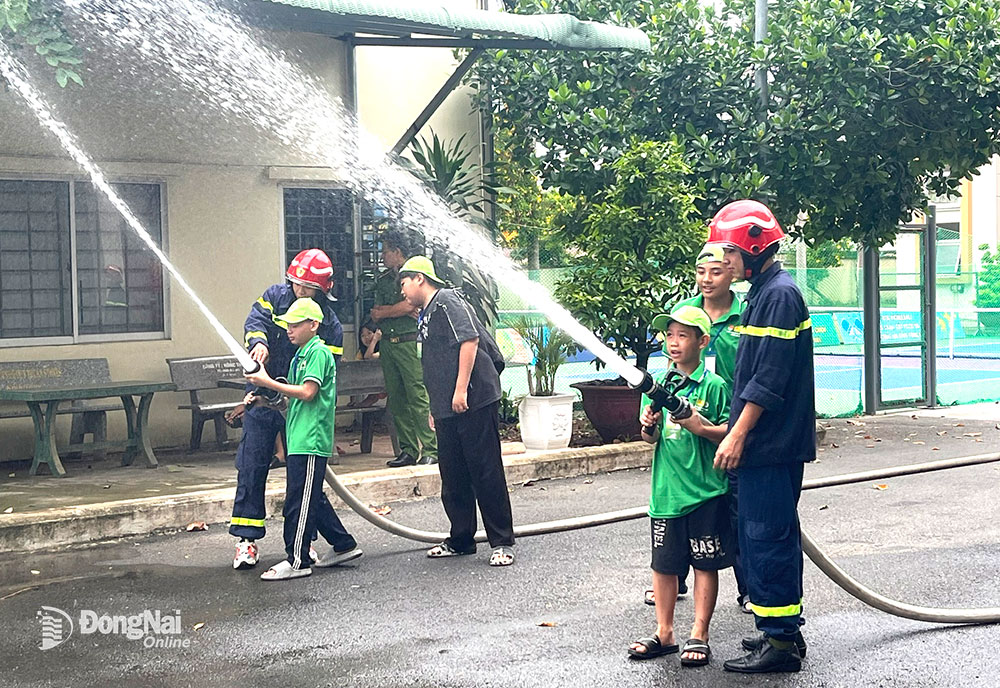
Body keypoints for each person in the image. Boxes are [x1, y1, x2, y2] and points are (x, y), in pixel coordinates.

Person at [709, 200, 815, 674]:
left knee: (766, 537)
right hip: (763, 446)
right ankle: (779, 631)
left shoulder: (779, 296)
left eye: (729, 252)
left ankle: (782, 646)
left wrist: (736, 435)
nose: (723, 261)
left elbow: (768, 379)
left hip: (768, 446)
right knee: (761, 538)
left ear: (753, 246)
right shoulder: (766, 292)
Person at [645, 244, 751, 611]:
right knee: (682, 517)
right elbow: (650, 433)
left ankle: (747, 585)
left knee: (732, 508)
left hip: (734, 415)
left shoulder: (747, 313)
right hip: (690, 422)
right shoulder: (685, 315)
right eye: (701, 272)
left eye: (717, 271)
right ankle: (673, 581)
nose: (707, 279)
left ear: (733, 272)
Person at [628, 305, 734, 668]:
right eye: (670, 335)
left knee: (706, 564)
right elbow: (648, 439)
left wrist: (700, 425)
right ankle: (665, 631)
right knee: (663, 566)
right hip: (666, 494)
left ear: (702, 341)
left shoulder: (715, 386)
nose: (674, 343)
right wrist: (648, 424)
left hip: (705, 492)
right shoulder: (657, 385)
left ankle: (699, 633)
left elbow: (729, 432)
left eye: (683, 335)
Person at [230, 248, 344, 571]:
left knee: (303, 479)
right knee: (251, 466)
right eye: (295, 283)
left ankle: (304, 544)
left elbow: (323, 381)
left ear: (322, 292)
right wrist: (259, 343)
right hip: (264, 397)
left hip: (298, 408)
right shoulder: (274, 297)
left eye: (307, 288)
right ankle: (246, 540)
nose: (298, 291)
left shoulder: (330, 328)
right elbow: (255, 321)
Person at [398, 255, 515, 567]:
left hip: (474, 398)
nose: (403, 291)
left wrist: (461, 389)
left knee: (485, 469)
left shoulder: (447, 300)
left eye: (404, 282)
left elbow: (470, 340)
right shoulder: (426, 313)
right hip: (447, 406)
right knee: (453, 473)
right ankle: (461, 538)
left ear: (420, 278)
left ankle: (501, 541)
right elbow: (435, 363)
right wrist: (436, 407)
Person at [244, 297, 362, 581]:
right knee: (311, 497)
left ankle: (296, 560)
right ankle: (343, 544)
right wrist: (263, 399)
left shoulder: (318, 354)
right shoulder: (301, 355)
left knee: (299, 500)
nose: (289, 329)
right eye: (287, 324)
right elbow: (292, 397)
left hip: (310, 438)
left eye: (296, 324)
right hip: (299, 437)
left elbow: (309, 392)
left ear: (313, 324)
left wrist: (265, 382)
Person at [372, 231, 438, 467]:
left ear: (397, 252)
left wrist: (390, 310)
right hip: (389, 344)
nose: (383, 256)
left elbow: (411, 304)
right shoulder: (382, 281)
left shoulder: (415, 277)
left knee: (417, 396)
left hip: (409, 343)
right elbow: (375, 313)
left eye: (386, 252)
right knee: (397, 399)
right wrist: (396, 309)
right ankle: (408, 450)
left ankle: (431, 448)